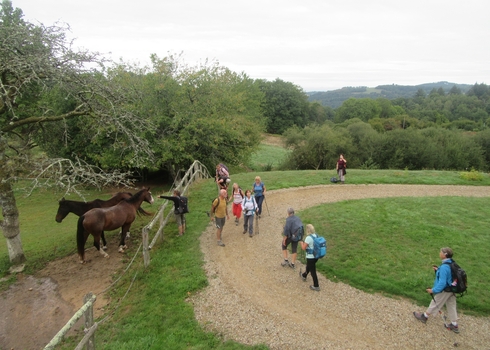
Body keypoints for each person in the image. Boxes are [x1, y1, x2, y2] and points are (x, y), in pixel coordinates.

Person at [413, 247, 460, 333]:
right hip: (452, 289)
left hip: (445, 290)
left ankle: (424, 316)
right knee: (451, 305)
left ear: (445, 255)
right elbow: (448, 275)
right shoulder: (451, 263)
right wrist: (438, 270)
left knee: (435, 302)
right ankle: (454, 324)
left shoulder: (444, 267)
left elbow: (442, 282)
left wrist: (433, 290)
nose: (439, 253)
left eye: (441, 252)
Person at [299, 224, 320, 291]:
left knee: (313, 271)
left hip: (310, 257)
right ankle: (304, 275)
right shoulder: (316, 235)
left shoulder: (308, 238)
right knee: (309, 266)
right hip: (316, 256)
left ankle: (316, 285)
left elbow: (303, 248)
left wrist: (301, 243)